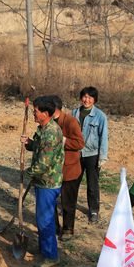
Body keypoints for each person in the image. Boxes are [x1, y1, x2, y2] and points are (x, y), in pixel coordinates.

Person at [20, 96, 64, 267]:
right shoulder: (44, 129)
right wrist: (29, 143)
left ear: (46, 113)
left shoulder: (51, 133)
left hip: (48, 182)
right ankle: (44, 248)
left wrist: (26, 173)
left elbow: (43, 164)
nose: (33, 113)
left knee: (45, 220)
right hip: (43, 181)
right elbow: (40, 149)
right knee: (42, 219)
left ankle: (51, 256)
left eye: (36, 111)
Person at [71, 86, 108, 223]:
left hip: (92, 154)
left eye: (90, 97)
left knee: (92, 185)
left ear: (94, 99)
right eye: (85, 97)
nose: (86, 100)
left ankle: (93, 210)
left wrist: (102, 156)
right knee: (73, 182)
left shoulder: (100, 116)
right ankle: (70, 205)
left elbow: (103, 137)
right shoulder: (74, 113)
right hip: (76, 153)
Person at [50, 95, 85, 241]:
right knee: (50, 202)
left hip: (68, 170)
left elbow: (79, 143)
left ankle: (68, 229)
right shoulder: (46, 122)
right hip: (52, 170)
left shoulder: (70, 121)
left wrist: (62, 140)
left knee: (68, 202)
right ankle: (54, 227)